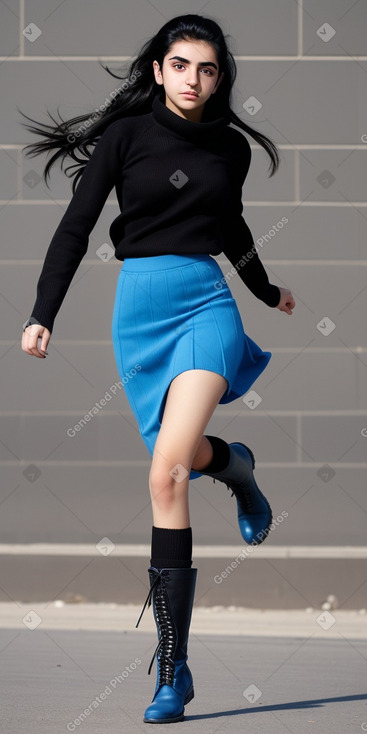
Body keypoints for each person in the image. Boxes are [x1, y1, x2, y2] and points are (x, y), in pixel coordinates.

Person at [20, 13, 295, 724]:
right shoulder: (125, 137)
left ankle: (171, 671)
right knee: (182, 461)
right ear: (158, 70)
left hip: (205, 305)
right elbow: (75, 228)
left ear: (218, 78)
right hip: (139, 313)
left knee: (164, 473)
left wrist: (263, 290)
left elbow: (229, 224)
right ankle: (234, 465)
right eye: (180, 65)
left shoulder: (228, 148)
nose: (192, 80)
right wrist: (42, 312)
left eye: (206, 69)